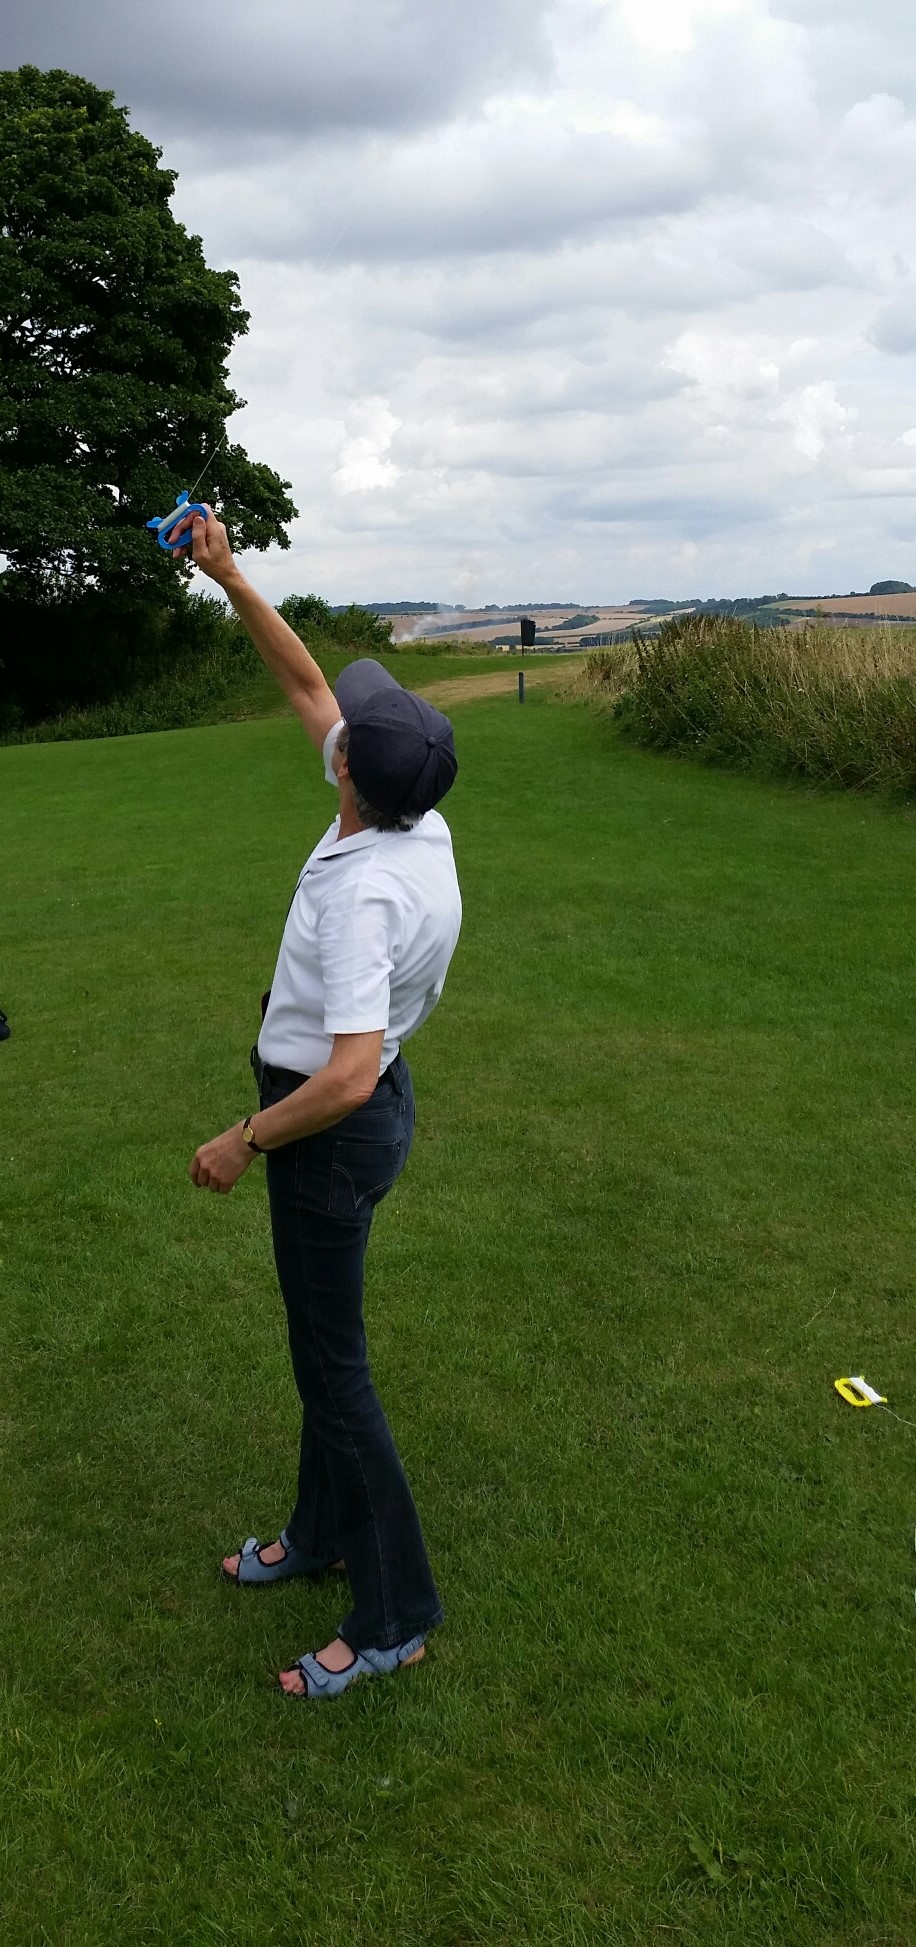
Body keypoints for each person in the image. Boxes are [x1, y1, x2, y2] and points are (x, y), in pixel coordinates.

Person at [178, 508, 462, 1699]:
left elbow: (343, 1073)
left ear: (351, 774)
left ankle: (396, 1614)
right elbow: (305, 682)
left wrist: (243, 1139)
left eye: (351, 731)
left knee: (335, 1373)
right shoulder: (411, 815)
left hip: (329, 1129)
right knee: (320, 1352)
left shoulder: (365, 900)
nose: (336, 721)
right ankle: (319, 1531)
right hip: (357, 1114)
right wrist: (229, 575)